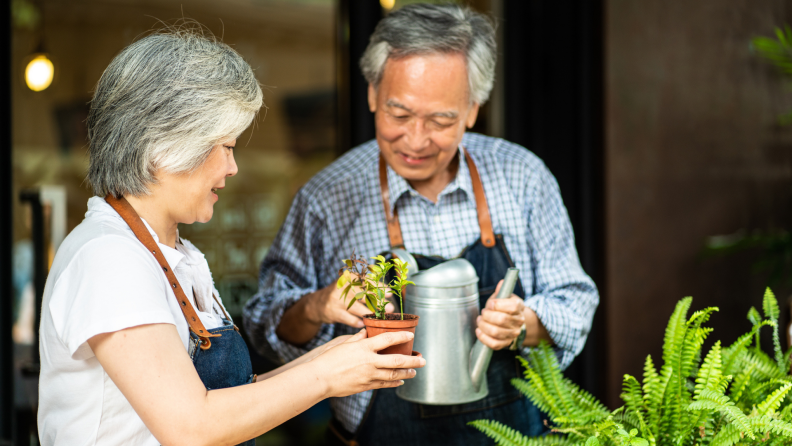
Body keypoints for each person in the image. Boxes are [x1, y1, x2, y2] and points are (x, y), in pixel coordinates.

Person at [37, 25, 424, 446]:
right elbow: (191, 427)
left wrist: (336, 359)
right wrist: (325, 376)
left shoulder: (174, 253)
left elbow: (228, 399)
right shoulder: (109, 258)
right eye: (225, 146)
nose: (233, 167)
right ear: (163, 145)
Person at [243, 4, 600, 446]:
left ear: (472, 109)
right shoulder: (326, 198)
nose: (415, 140)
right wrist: (318, 306)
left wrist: (524, 323)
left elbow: (575, 302)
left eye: (440, 120)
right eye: (399, 115)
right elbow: (264, 323)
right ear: (373, 94)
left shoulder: (522, 176)